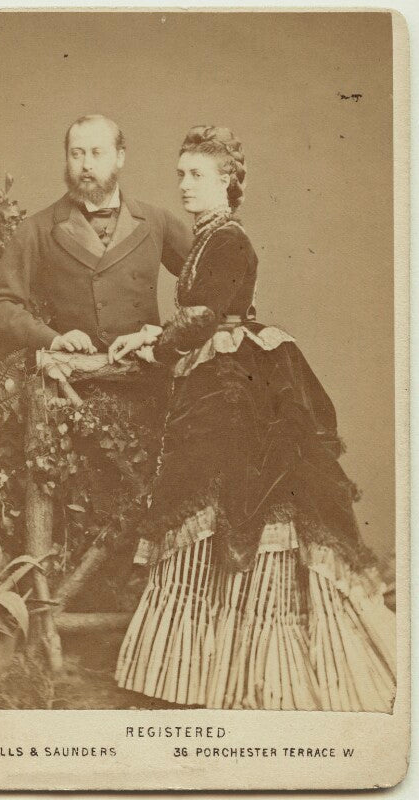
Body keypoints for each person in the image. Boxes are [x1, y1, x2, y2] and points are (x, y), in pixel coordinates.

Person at [109, 125, 396, 712]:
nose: (185, 185)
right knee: (216, 507)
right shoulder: (210, 238)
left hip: (233, 390)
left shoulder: (229, 240)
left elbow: (204, 318)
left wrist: (156, 348)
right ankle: (200, 674)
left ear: (227, 183)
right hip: (218, 378)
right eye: (181, 174)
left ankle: (252, 673)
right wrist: (153, 334)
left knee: (233, 503)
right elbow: (203, 314)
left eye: (197, 175)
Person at [0, 114, 191, 356]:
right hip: (73, 371)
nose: (86, 165)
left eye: (97, 153)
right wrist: (53, 339)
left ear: (120, 157)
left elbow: (212, 282)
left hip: (147, 371)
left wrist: (164, 335)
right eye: (77, 154)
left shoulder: (157, 221)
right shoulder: (37, 228)